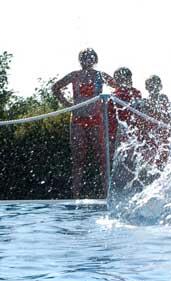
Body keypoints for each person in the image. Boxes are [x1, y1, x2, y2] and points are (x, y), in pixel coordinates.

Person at [52, 48, 114, 199]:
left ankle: (106, 194)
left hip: (96, 120)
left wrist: (108, 103)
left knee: (102, 158)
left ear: (95, 59)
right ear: (80, 59)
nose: (88, 59)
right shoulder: (75, 75)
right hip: (78, 120)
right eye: (85, 57)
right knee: (78, 159)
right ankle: (76, 196)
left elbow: (118, 86)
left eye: (91, 56)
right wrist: (67, 105)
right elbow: (55, 87)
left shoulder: (100, 75)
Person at [135, 75, 171, 172]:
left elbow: (167, 117)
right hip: (150, 136)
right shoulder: (143, 102)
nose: (154, 87)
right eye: (151, 85)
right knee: (151, 161)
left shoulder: (163, 98)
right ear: (147, 87)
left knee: (162, 159)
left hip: (162, 134)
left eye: (156, 84)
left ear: (160, 87)